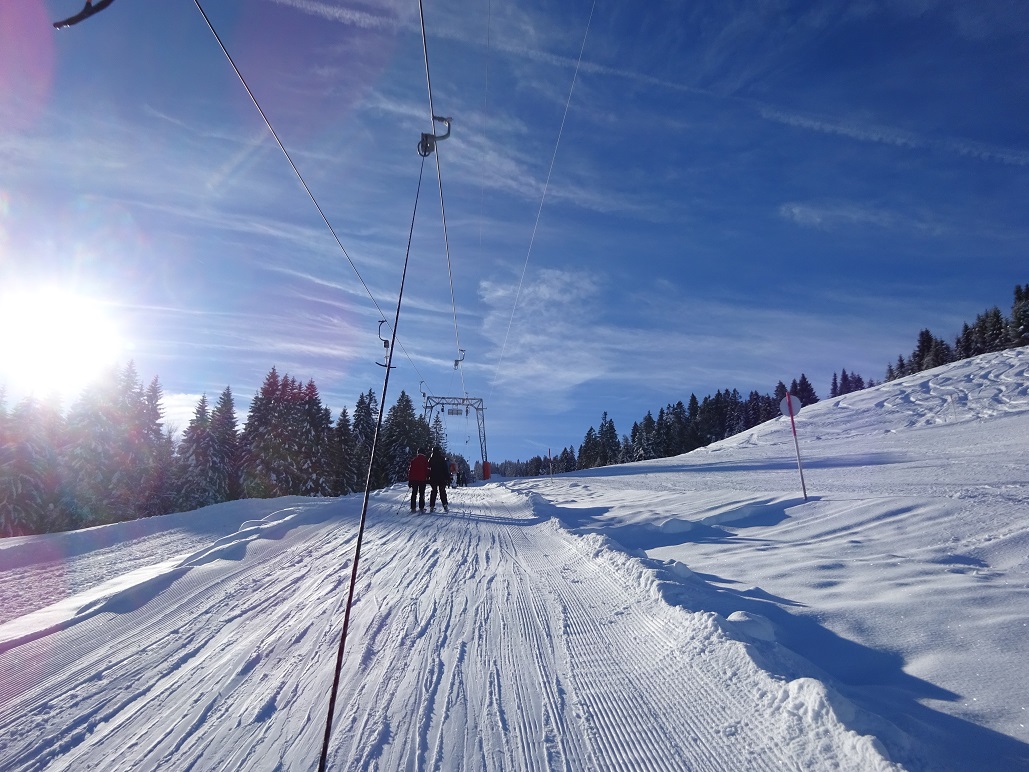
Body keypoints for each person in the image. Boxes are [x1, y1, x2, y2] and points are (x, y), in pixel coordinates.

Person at [427, 446, 449, 513]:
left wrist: (428, 477)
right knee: (442, 491)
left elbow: (428, 468)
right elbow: (445, 469)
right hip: (441, 478)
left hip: (433, 478)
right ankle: (445, 505)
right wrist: (447, 478)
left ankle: (432, 506)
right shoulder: (442, 459)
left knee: (434, 491)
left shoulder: (431, 459)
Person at [408, 448, 429, 513]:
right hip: (422, 479)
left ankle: (413, 508)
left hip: (414, 479)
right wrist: (427, 477)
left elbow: (410, 471)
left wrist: (410, 480)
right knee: (421, 494)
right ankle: (421, 508)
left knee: (414, 493)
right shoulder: (425, 460)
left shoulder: (414, 460)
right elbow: (427, 470)